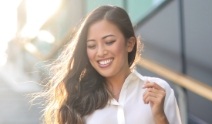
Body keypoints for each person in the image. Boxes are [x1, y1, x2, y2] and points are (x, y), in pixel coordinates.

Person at [42, 5, 182, 124]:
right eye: (92, 45)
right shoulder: (78, 101)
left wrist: (160, 117)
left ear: (130, 43)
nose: (101, 52)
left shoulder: (159, 92)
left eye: (109, 42)